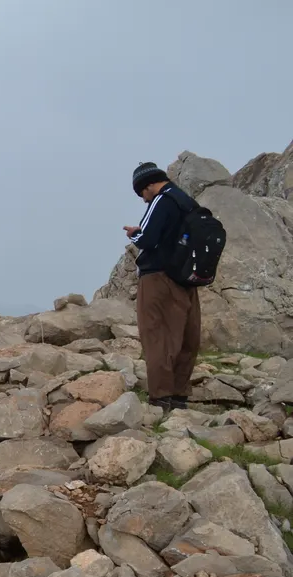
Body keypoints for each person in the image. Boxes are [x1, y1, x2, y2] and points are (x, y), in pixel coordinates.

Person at [123, 161, 201, 411]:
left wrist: (134, 233)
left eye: (141, 193)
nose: (144, 199)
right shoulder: (188, 202)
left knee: (156, 335)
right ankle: (179, 397)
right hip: (187, 278)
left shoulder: (161, 200)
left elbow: (147, 239)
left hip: (158, 278)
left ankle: (160, 399)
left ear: (147, 185)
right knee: (186, 338)